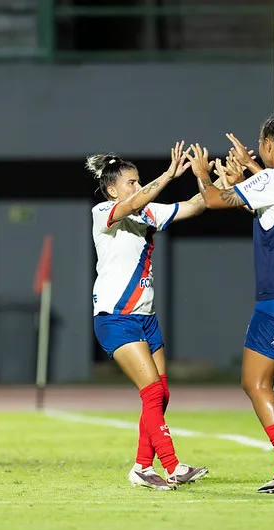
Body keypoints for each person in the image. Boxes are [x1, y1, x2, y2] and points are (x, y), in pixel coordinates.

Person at [189, 94, 274, 494]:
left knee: (255, 383)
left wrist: (203, 173)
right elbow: (265, 206)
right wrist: (247, 173)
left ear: (269, 143)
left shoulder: (271, 179)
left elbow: (215, 199)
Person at [88, 142, 212, 490]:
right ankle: (173, 466)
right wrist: (168, 175)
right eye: (131, 182)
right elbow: (133, 203)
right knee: (152, 391)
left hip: (146, 317)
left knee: (161, 393)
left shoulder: (147, 213)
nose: (137, 186)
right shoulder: (104, 211)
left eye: (138, 180)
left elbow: (195, 206)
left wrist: (212, 180)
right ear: (112, 189)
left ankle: (143, 467)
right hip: (116, 317)